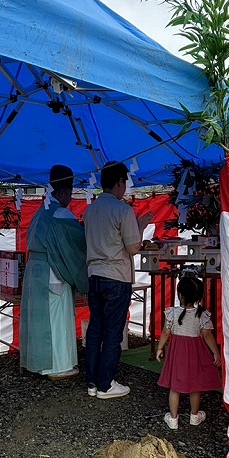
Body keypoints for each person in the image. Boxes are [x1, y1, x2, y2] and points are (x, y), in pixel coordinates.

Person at [83, 161, 152, 399]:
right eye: (125, 182)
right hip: (116, 276)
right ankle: (106, 384)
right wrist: (141, 226)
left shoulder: (89, 210)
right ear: (120, 182)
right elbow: (133, 247)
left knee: (96, 329)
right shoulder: (123, 211)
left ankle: (92, 382)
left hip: (94, 275)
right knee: (113, 332)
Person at [20, 164, 88, 379]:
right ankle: (58, 367)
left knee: (40, 322)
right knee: (57, 321)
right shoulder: (61, 214)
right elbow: (77, 247)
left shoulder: (41, 212)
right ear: (62, 192)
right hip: (53, 274)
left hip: (35, 270)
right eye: (69, 193)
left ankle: (40, 364)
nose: (70, 197)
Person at [155, 275, 222, 429]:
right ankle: (194, 416)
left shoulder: (172, 313)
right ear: (199, 296)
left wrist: (159, 348)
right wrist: (216, 352)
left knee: (174, 387)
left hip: (176, 353)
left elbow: (166, 332)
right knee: (195, 385)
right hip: (195, 353)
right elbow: (207, 335)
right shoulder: (202, 314)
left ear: (180, 295)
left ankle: (173, 419)